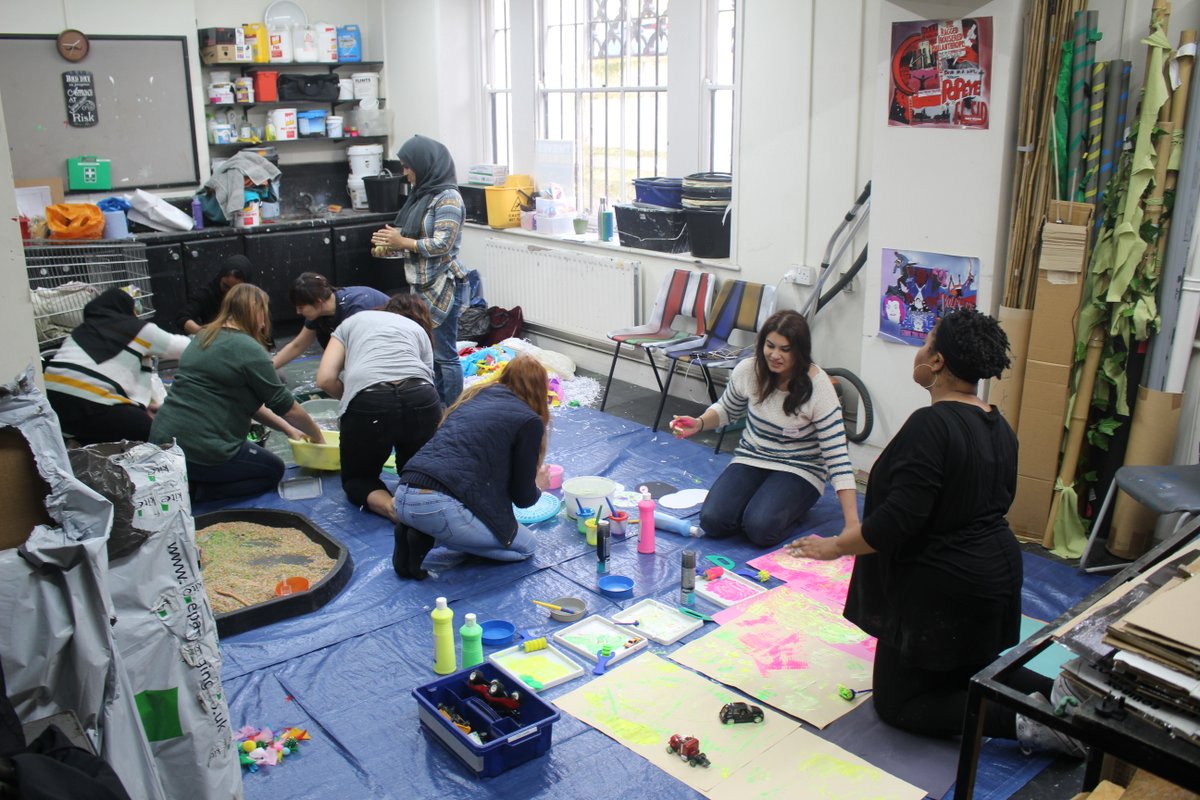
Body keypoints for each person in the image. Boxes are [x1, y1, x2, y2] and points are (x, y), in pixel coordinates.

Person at [788, 309, 1084, 756]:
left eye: (926, 343)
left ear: (939, 362)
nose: (920, 352)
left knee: (899, 703)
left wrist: (833, 547)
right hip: (994, 577)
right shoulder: (997, 424)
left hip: (945, 588)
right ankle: (1071, 696)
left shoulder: (932, 426)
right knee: (975, 666)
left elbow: (894, 524)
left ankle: (1034, 723)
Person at [671, 310, 858, 547]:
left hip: (800, 468)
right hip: (753, 458)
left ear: (799, 351)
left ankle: (788, 509)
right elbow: (727, 409)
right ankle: (761, 506)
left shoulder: (818, 387)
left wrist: (852, 525)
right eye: (770, 346)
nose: (774, 355)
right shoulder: (749, 370)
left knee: (760, 529)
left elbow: (838, 458)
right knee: (712, 521)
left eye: (785, 349)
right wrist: (698, 423)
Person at [150, 283, 325, 502]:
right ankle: (198, 492)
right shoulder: (248, 349)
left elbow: (252, 406)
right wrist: (318, 437)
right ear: (257, 312)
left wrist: (290, 431)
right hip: (202, 448)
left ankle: (189, 481)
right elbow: (287, 407)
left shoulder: (202, 337)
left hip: (164, 440)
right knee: (272, 470)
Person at [391, 355, 551, 579]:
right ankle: (432, 536)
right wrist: (538, 485)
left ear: (504, 377)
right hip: (438, 506)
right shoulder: (528, 420)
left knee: (458, 511)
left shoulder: (473, 397)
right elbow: (523, 498)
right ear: (540, 391)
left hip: (403, 494)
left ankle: (421, 535)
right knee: (526, 546)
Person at [315, 294, 442, 521]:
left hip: (370, 398)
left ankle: (391, 507)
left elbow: (325, 379)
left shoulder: (353, 322)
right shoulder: (417, 330)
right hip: (421, 396)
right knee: (419, 471)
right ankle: (424, 502)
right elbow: (427, 379)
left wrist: (355, 401)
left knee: (358, 479)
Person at [370, 134, 469, 405]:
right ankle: (436, 405)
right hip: (422, 284)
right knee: (428, 350)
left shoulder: (448, 198)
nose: (405, 173)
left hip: (443, 284)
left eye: (408, 166)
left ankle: (452, 411)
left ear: (425, 164)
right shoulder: (421, 196)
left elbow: (442, 244)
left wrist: (402, 241)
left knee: (444, 354)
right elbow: (413, 239)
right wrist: (390, 245)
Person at [44, 288, 191, 444]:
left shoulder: (80, 331)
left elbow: (104, 375)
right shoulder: (136, 329)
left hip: (54, 405)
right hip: (92, 404)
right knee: (159, 435)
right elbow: (188, 349)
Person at [271, 272, 390, 369]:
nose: (298, 312)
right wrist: (266, 370)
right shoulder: (320, 311)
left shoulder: (356, 309)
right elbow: (297, 346)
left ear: (318, 302)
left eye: (301, 307)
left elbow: (364, 355)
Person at [175, 256, 251, 334]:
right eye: (225, 286)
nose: (229, 293)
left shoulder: (252, 299)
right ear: (219, 279)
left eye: (235, 289)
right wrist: (203, 334)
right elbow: (183, 317)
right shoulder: (207, 294)